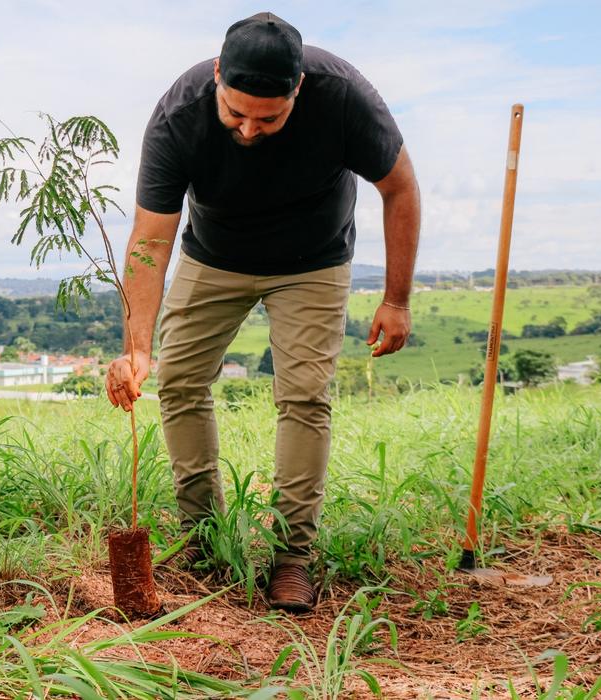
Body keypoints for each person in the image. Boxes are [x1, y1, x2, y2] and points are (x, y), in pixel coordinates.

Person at [105, 11, 420, 612]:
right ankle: (204, 539)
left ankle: (291, 557)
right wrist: (137, 346)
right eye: (235, 113)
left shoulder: (344, 96)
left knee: (303, 395)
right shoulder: (179, 114)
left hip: (313, 261)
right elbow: (150, 239)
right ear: (217, 76)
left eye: (269, 118)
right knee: (179, 380)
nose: (249, 129)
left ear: (298, 87)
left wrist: (396, 299)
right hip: (213, 256)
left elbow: (400, 187)